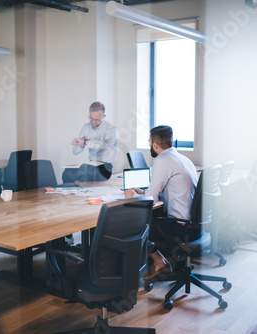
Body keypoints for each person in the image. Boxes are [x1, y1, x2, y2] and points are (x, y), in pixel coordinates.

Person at [125, 125, 199, 279]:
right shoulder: (182, 158)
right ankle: (159, 261)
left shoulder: (161, 160)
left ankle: (159, 262)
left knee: (134, 224)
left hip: (180, 226)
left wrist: (131, 197)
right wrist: (143, 192)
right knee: (147, 220)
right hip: (195, 224)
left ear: (155, 145)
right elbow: (157, 191)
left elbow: (151, 201)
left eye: (149, 142)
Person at [62, 101, 118, 183]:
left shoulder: (111, 128)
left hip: (105, 167)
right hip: (91, 164)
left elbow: (106, 146)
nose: (93, 122)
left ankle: (85, 193)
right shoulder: (86, 127)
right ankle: (68, 193)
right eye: (91, 118)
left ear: (104, 116)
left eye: (97, 120)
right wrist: (80, 145)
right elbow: (75, 152)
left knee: (84, 171)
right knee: (67, 173)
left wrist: (86, 142)